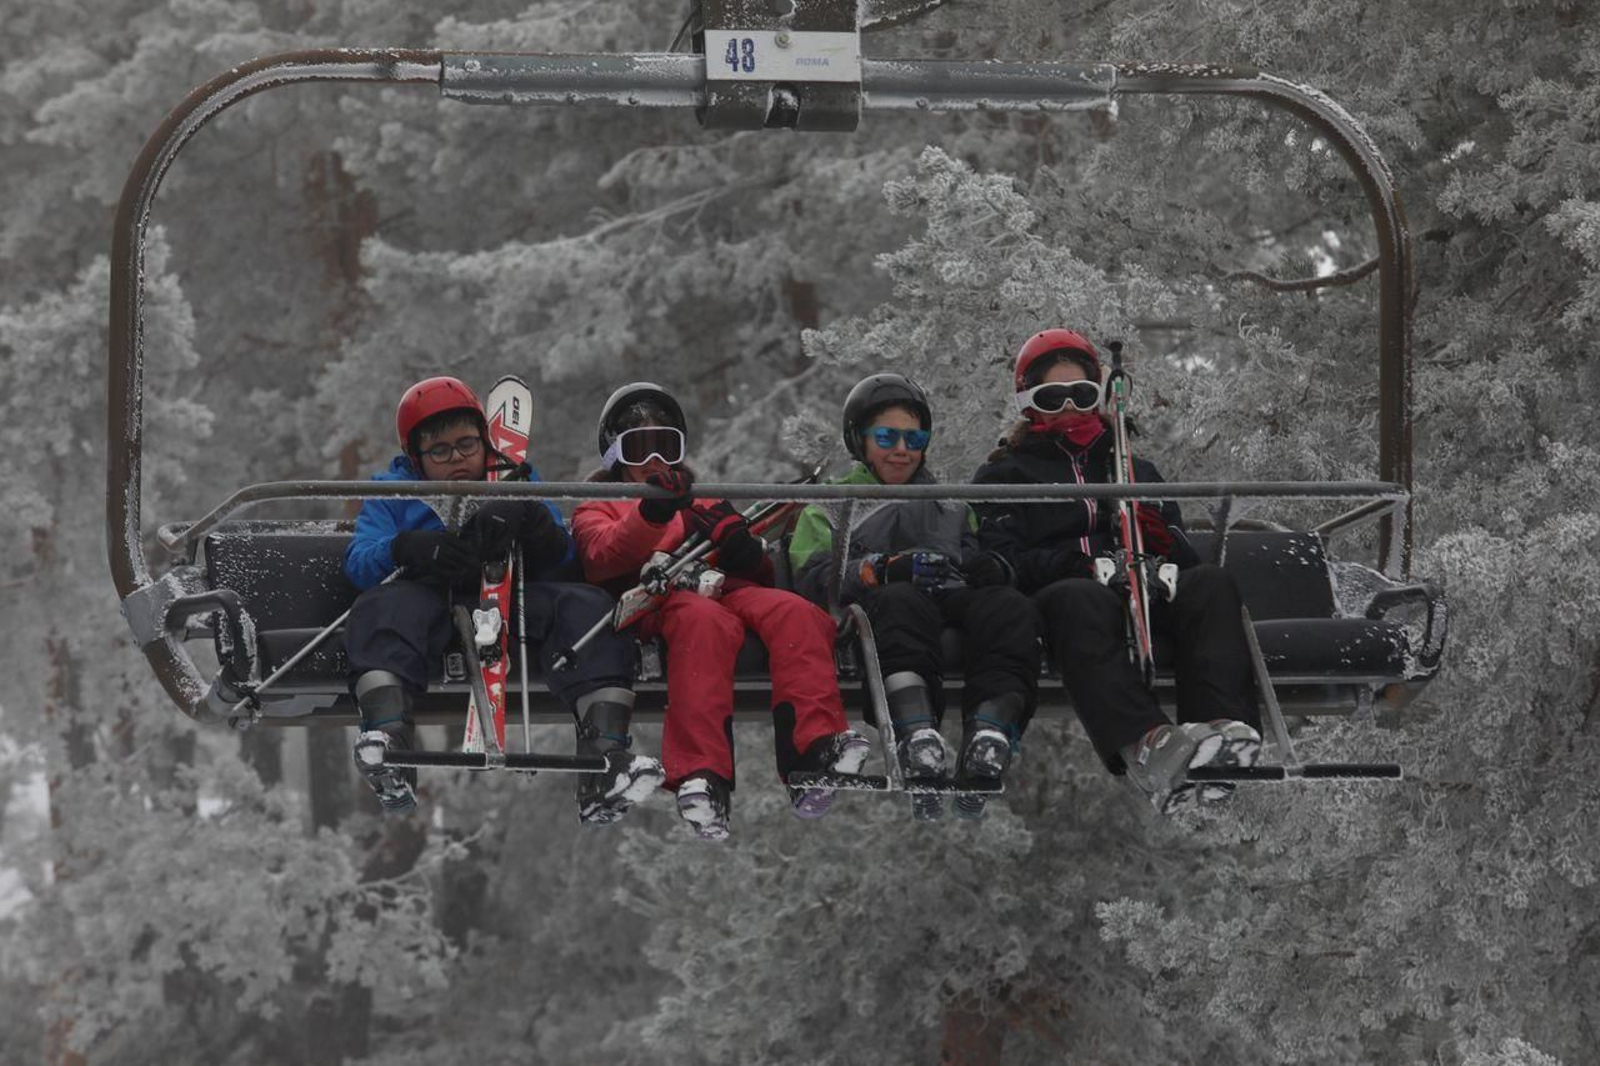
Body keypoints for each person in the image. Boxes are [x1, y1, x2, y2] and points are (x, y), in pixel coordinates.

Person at [343, 376, 664, 820]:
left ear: (485, 442)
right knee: (380, 610)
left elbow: (566, 562)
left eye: (467, 445)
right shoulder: (392, 494)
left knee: (586, 607)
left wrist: (531, 522)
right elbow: (359, 563)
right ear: (416, 458)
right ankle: (388, 740)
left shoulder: (517, 481)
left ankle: (605, 757)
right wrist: (406, 547)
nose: (457, 458)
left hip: (513, 605)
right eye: (440, 451)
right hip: (432, 609)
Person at [971, 330, 1263, 814]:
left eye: (1081, 394)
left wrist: (1162, 556)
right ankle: (1144, 741)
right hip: (1070, 597)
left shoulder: (1131, 467)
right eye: (1052, 396)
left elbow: (1180, 546)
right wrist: (1080, 564)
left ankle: (1220, 730)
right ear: (1028, 403)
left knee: (1211, 584)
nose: (1069, 407)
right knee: (1077, 600)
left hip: (1141, 586)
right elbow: (1003, 559)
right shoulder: (1005, 476)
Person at [570, 382, 870, 841]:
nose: (654, 460)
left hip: (724, 589)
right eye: (640, 447)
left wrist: (743, 550)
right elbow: (602, 554)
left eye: (666, 446)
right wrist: (650, 514)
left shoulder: (702, 497)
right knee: (703, 623)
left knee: (796, 613)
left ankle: (813, 749)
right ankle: (702, 772)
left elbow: (762, 572)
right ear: (614, 455)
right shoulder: (601, 502)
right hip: (660, 601)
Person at [788, 373, 1041, 820]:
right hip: (883, 602)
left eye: (914, 437)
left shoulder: (950, 503)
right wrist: (878, 570)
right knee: (901, 600)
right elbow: (814, 576)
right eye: (886, 437)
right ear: (859, 441)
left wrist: (989, 567)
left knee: (1008, 607)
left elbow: (979, 554)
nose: (901, 449)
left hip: (949, 593)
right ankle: (914, 729)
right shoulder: (831, 505)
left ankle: (991, 728)